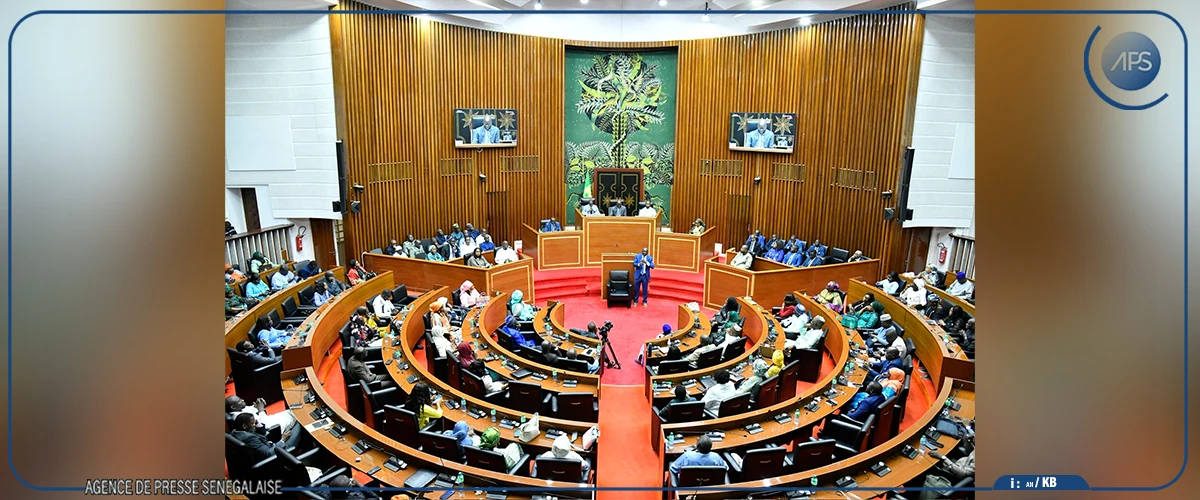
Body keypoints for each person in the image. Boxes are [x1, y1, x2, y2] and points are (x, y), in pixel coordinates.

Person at [226, 396, 302, 450]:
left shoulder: (238, 427)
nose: (242, 400)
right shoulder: (242, 420)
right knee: (300, 419)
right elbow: (264, 425)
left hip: (270, 441)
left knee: (292, 412)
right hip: (272, 431)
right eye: (240, 401)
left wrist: (257, 406)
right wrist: (282, 440)